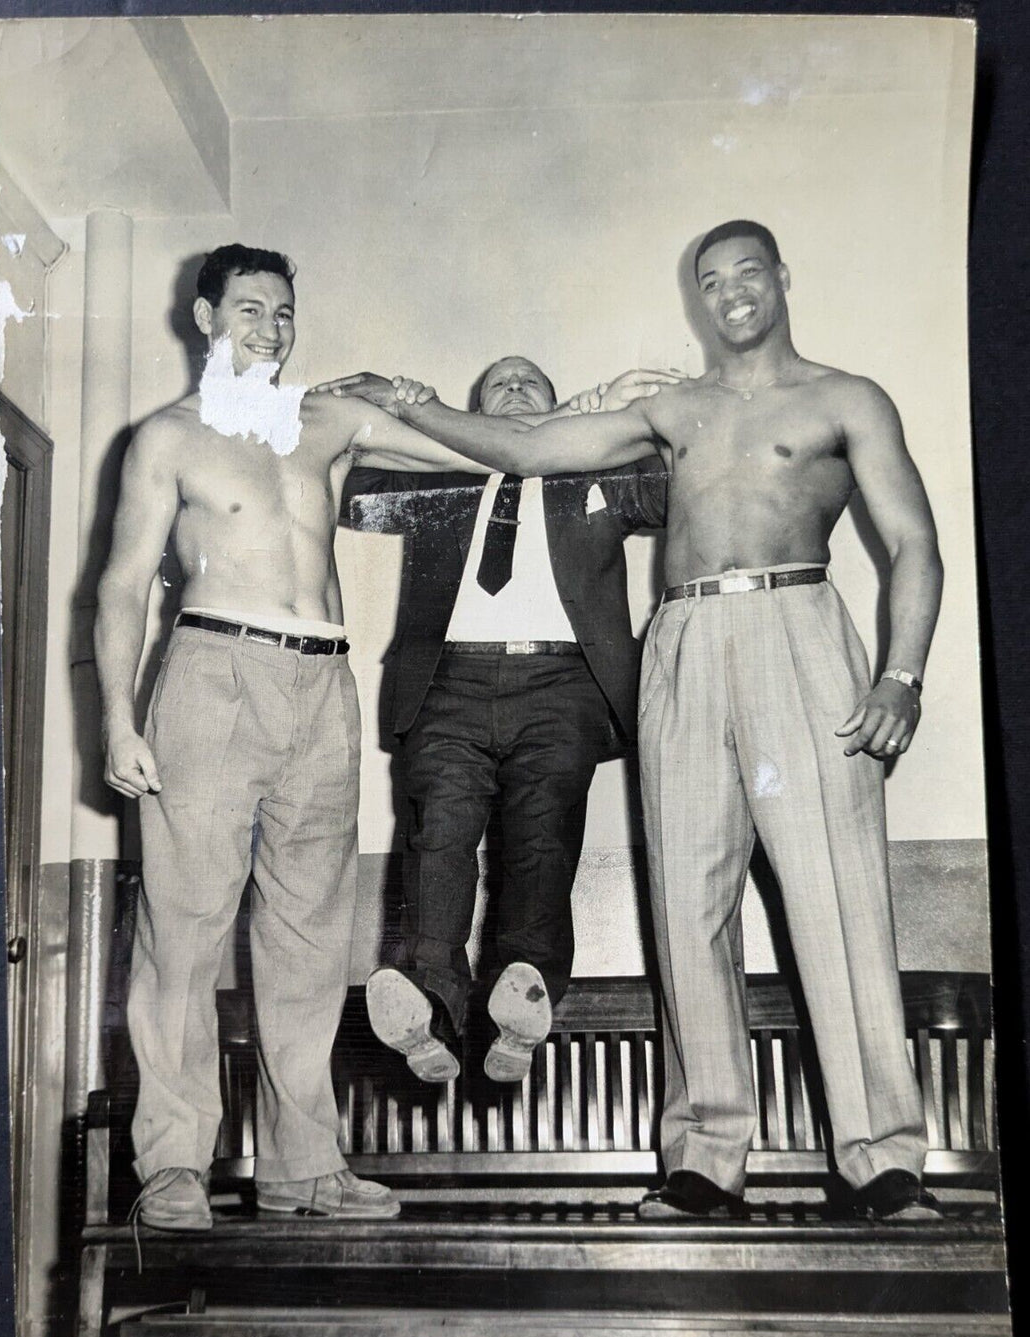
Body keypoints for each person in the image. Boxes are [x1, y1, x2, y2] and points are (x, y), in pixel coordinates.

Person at [329, 220, 944, 1222]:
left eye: (748, 272)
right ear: (698, 298)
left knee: (835, 899)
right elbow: (526, 445)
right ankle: (706, 1158)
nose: (732, 291)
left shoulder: (845, 399)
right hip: (685, 641)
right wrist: (411, 401)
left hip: (798, 623)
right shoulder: (674, 408)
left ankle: (882, 1162)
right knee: (685, 905)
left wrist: (902, 675)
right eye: (712, 278)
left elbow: (913, 544)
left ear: (782, 279)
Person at [95, 244, 509, 1231]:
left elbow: (488, 452)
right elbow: (117, 587)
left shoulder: (328, 422)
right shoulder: (166, 437)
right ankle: (175, 1168)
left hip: (322, 681)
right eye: (248, 310)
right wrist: (115, 717)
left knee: (310, 939)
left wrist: (420, 398)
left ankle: (302, 1167)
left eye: (283, 312)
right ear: (205, 319)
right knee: (183, 937)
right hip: (210, 673)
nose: (270, 330)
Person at [339, 357, 672, 1083]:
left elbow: (675, 486)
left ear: (557, 406)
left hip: (562, 683)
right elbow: (358, 491)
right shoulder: (441, 476)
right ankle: (429, 1000)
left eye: (532, 383)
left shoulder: (596, 471)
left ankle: (525, 999)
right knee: (440, 838)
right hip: (448, 682)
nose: (516, 388)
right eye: (498, 384)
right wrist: (438, 423)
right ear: (475, 410)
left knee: (542, 843)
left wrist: (587, 421)